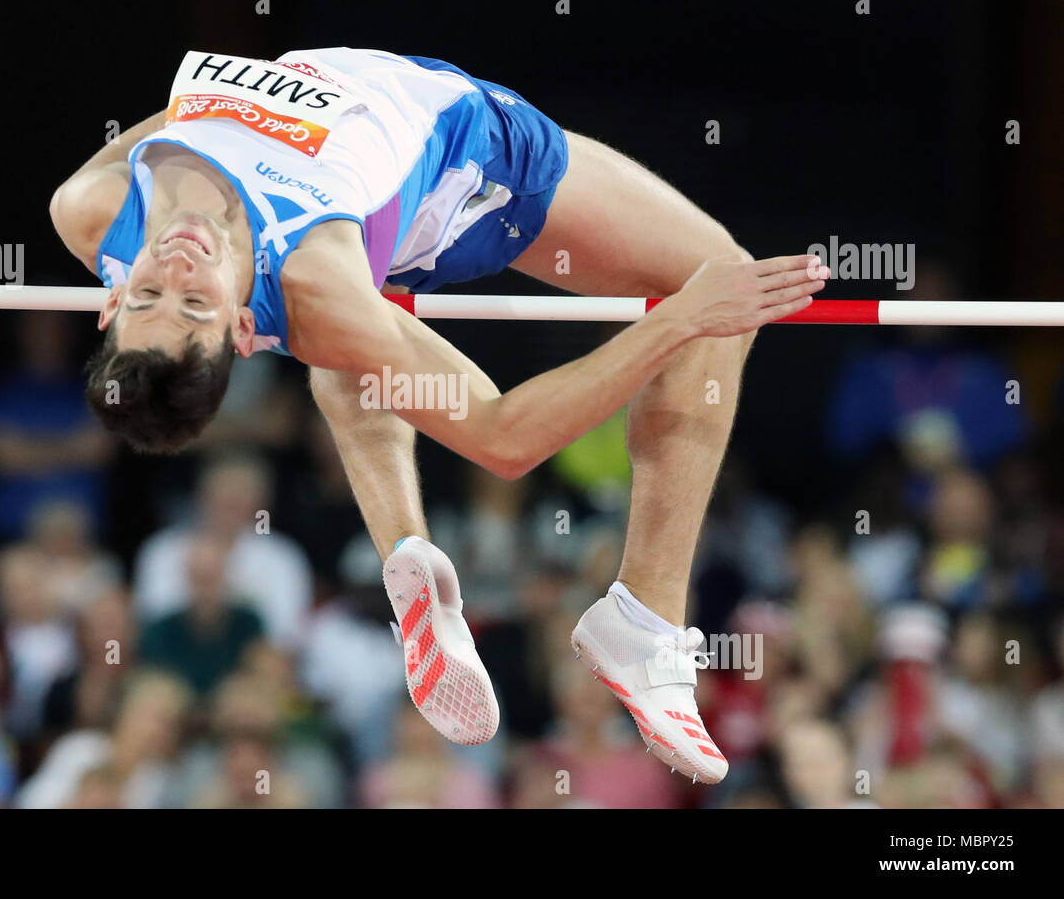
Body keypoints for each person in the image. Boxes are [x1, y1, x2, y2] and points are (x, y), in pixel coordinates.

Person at [50, 47, 831, 784]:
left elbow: (178, 124)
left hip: (359, 180)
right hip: (467, 167)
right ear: (243, 330)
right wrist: (680, 319)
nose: (178, 263)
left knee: (350, 348)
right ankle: (645, 618)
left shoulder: (91, 209)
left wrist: (223, 115)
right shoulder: (317, 283)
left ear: (112, 298)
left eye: (151, 294)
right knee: (718, 274)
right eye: (195, 302)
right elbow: (504, 436)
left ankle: (408, 552)